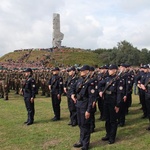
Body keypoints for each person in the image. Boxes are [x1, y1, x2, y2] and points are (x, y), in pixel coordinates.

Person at [71, 65, 96, 150]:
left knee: (85, 125)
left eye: (82, 71)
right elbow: (73, 87)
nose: (81, 72)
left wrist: (88, 110)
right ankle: (81, 141)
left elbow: (91, 98)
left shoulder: (90, 82)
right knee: (80, 124)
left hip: (85, 106)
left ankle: (85, 144)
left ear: (87, 71)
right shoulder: (80, 80)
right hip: (78, 104)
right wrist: (72, 94)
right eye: (80, 71)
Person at [99, 64, 121, 144]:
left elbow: (119, 94)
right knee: (107, 119)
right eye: (109, 69)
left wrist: (118, 105)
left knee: (113, 120)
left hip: (113, 102)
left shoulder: (118, 80)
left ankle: (112, 137)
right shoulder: (107, 78)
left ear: (115, 70)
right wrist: (100, 91)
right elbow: (100, 84)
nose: (109, 71)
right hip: (106, 101)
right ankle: (108, 134)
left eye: (111, 69)